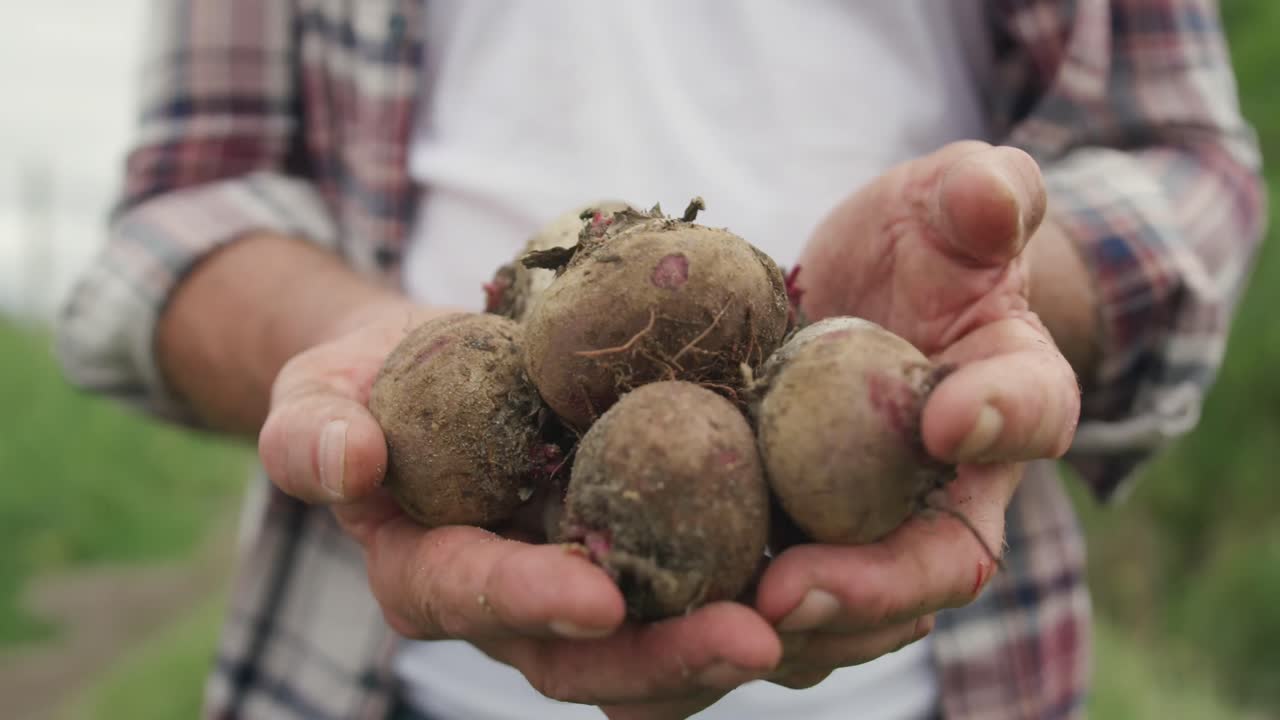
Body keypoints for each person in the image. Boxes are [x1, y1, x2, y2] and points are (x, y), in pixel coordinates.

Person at [54, 1, 1264, 718]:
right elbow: (182, 211)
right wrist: (341, 345)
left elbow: (1192, 166)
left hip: (961, 670)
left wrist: (992, 272)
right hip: (367, 673)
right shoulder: (522, 355)